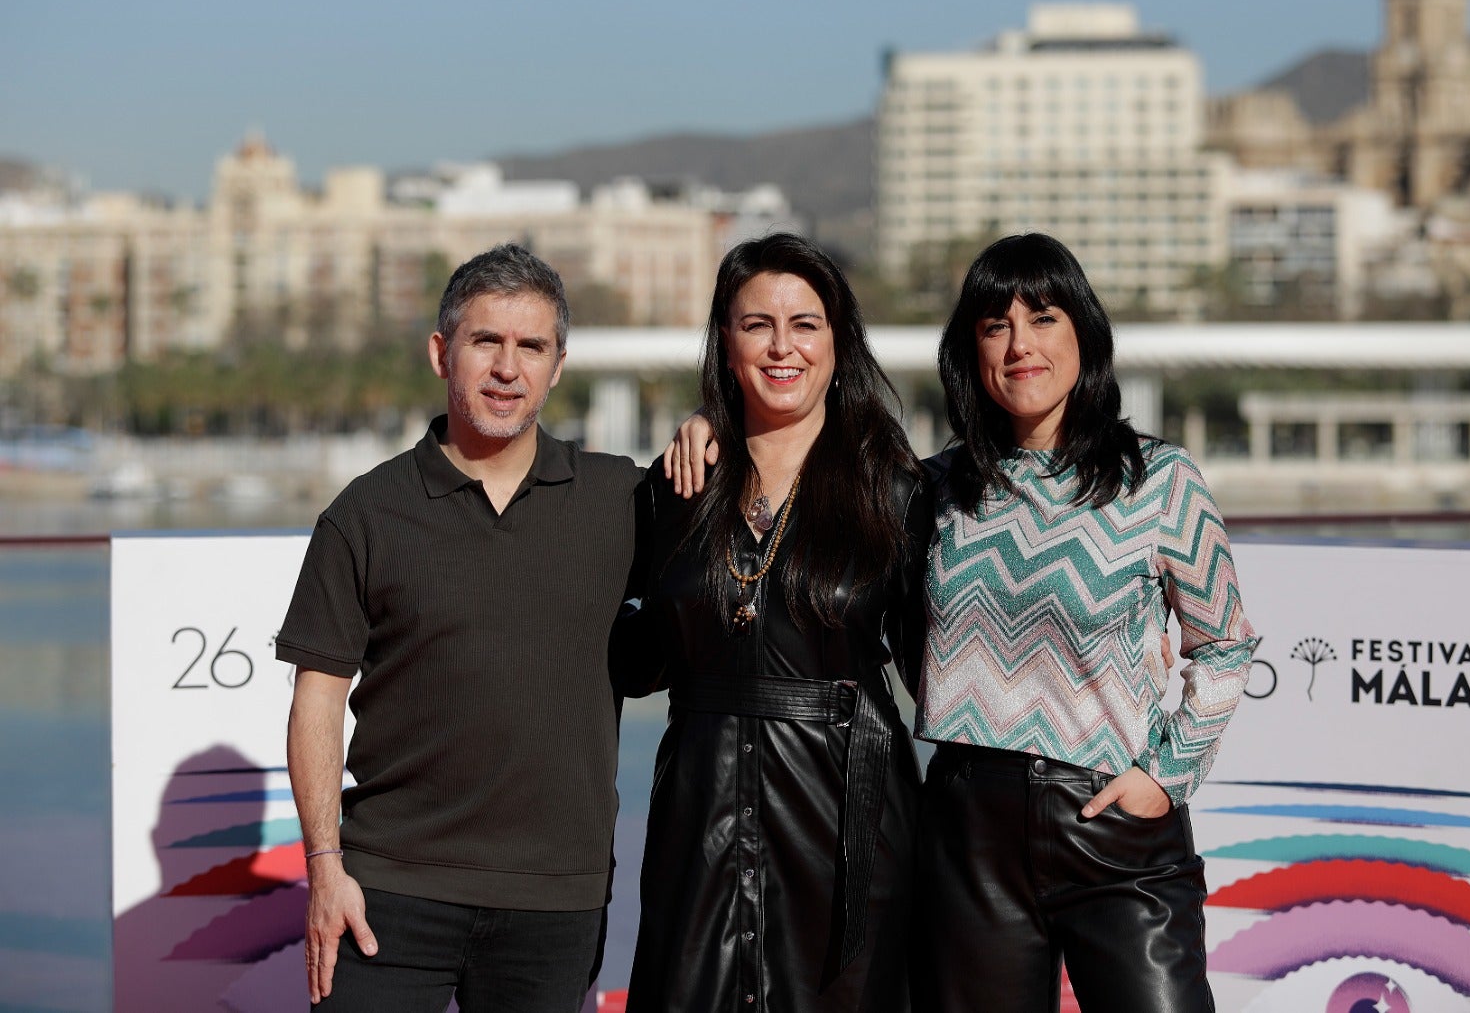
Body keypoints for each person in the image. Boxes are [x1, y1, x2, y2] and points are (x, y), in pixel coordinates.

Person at [278, 243, 643, 1012]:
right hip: (385, 893)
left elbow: (756, 508)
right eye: (487, 342)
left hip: (556, 901)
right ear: (442, 353)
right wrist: (323, 867)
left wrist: (707, 425)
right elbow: (317, 699)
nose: (508, 368)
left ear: (558, 364)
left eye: (531, 347)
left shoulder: (624, 501)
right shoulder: (365, 514)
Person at [912, 233, 1259, 1013]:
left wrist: (1164, 779)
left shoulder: (1161, 479)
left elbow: (1227, 645)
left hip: (1114, 825)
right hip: (970, 833)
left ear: (1084, 335)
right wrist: (715, 426)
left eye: (1043, 317)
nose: (1020, 344)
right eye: (994, 326)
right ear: (970, 350)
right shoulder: (934, 488)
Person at [613, 233, 931, 1012]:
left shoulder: (892, 489)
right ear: (726, 341)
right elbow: (639, 660)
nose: (782, 346)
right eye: (757, 325)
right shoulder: (679, 483)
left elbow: (944, 667)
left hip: (847, 818)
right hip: (701, 815)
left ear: (838, 341)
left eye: (806, 324)